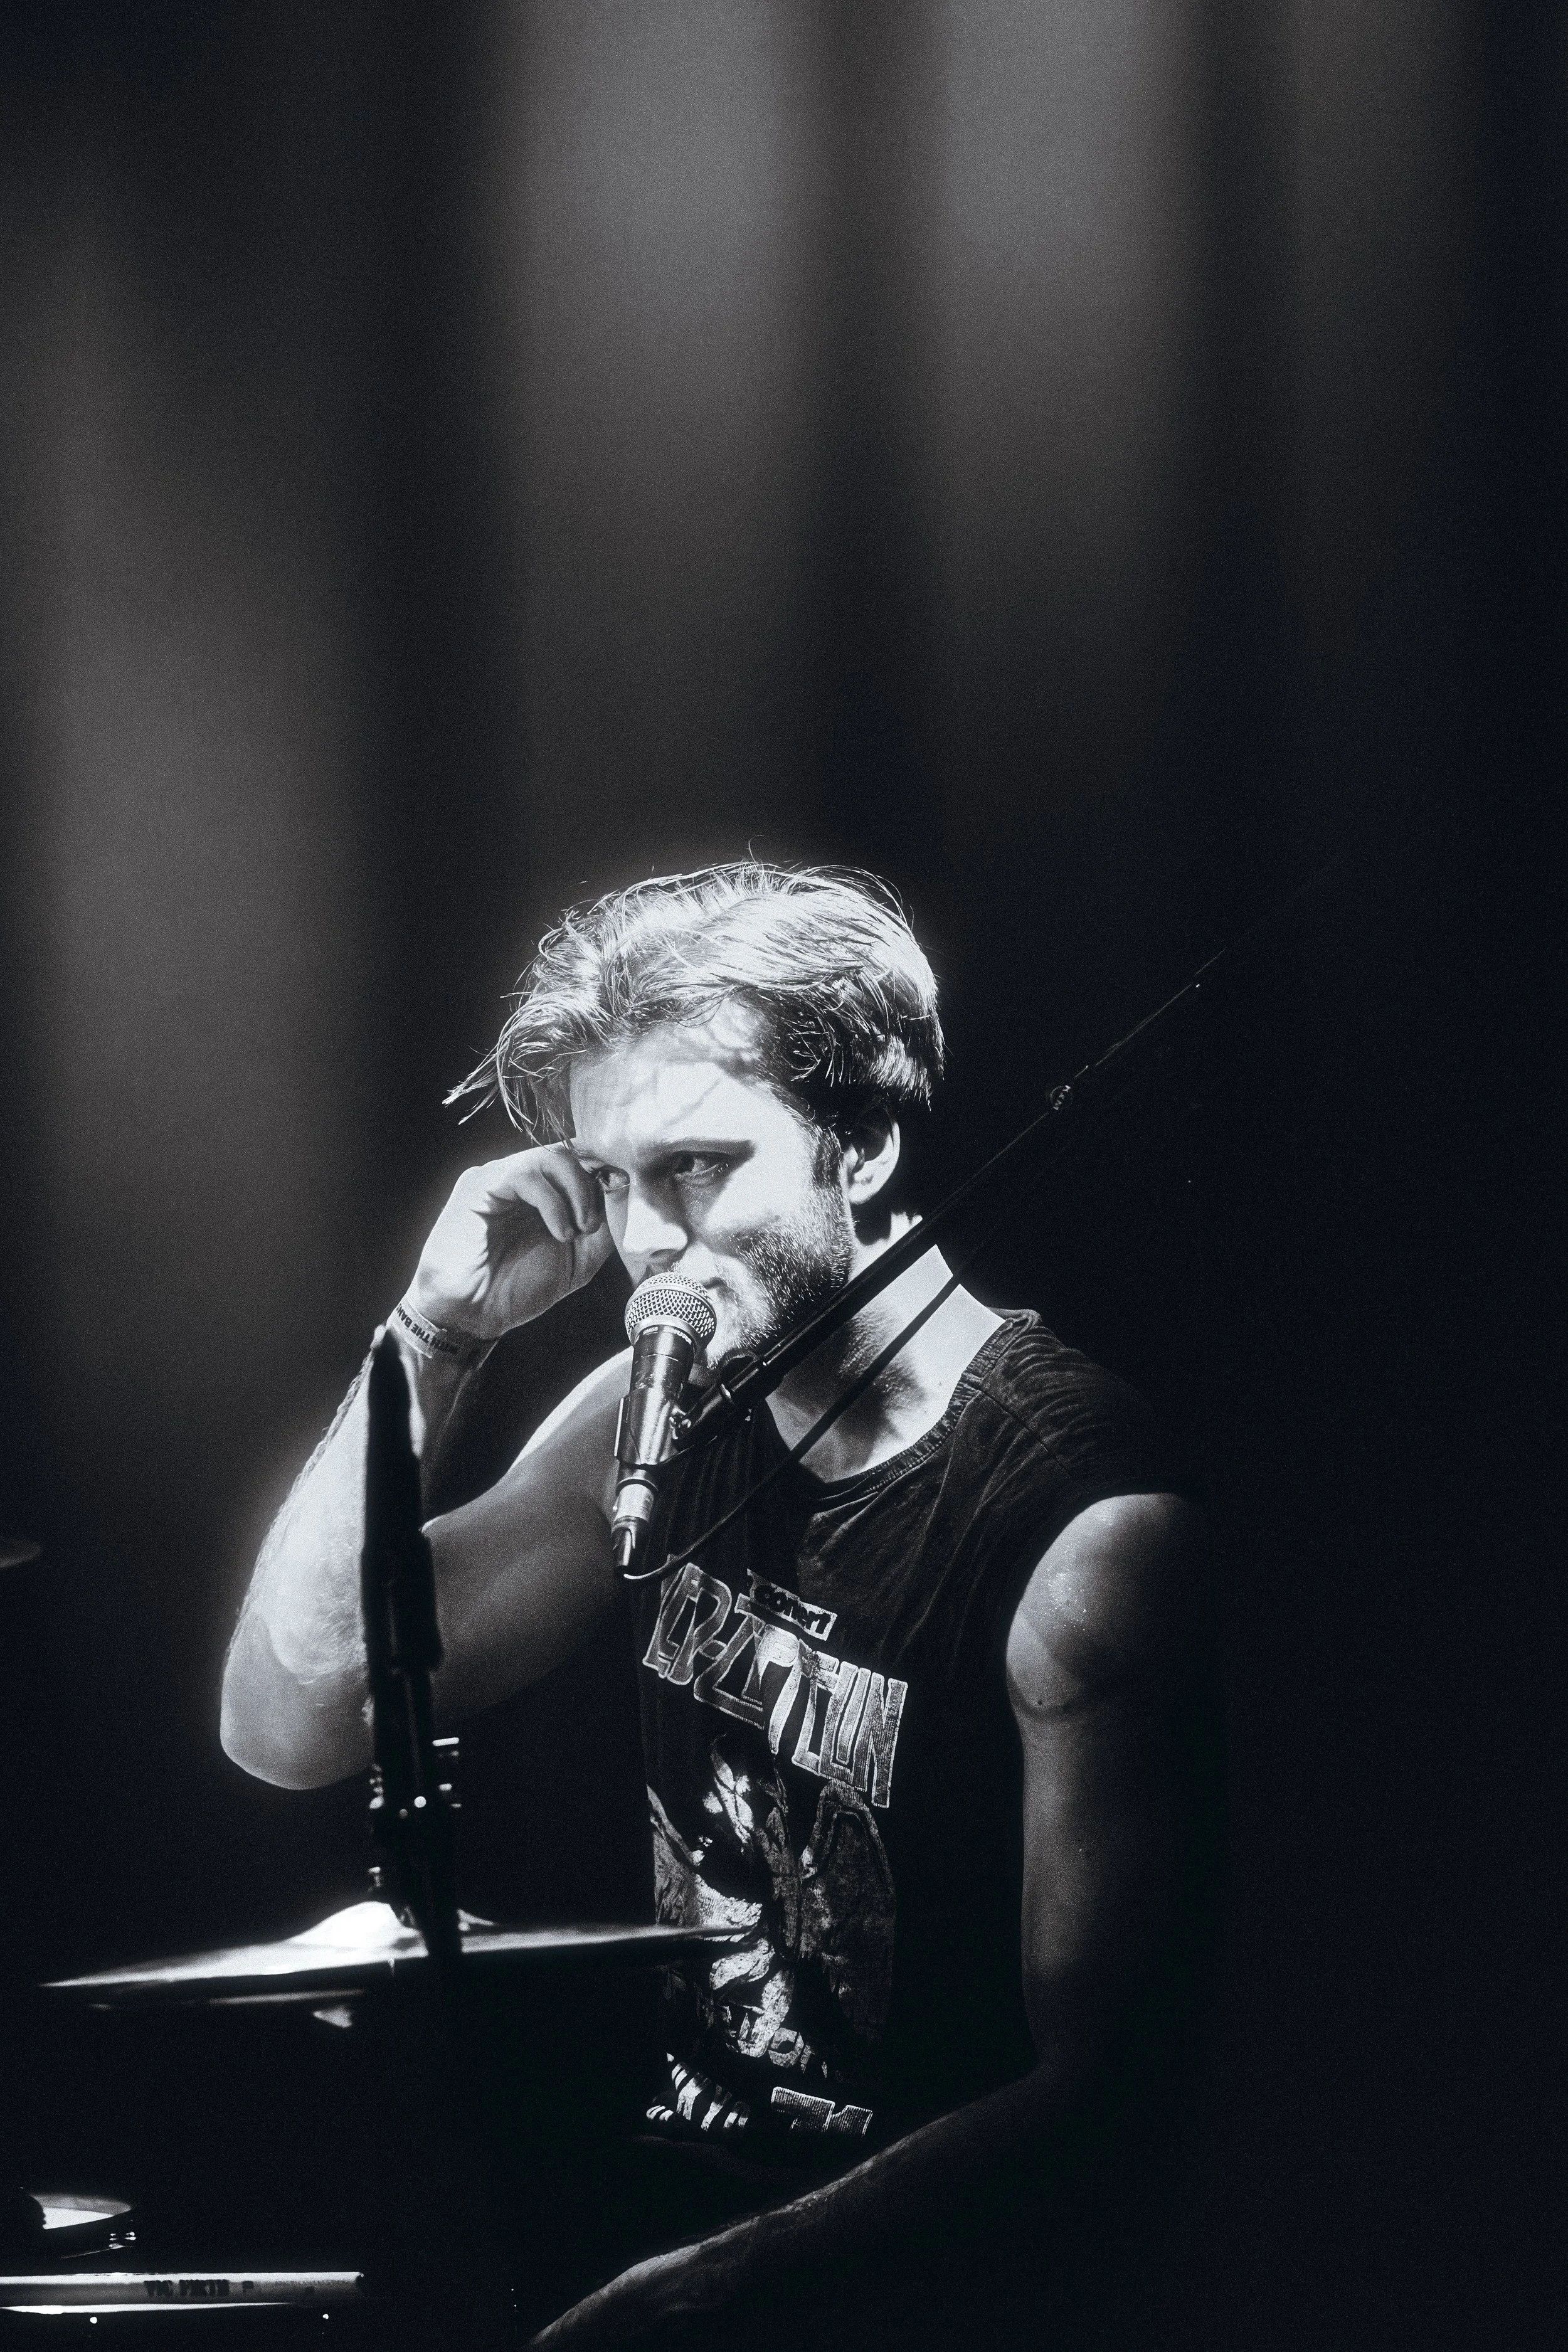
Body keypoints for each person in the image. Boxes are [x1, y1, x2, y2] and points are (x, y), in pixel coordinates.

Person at [221, 863, 1219, 2349]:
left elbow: (1116, 2098)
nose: (641, 1241)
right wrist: (435, 1332)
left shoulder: (1082, 1538)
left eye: (694, 1167)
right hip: (677, 2223)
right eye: (612, 1180)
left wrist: (718, 2288)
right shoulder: (665, 1409)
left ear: (863, 1143)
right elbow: (292, 1720)